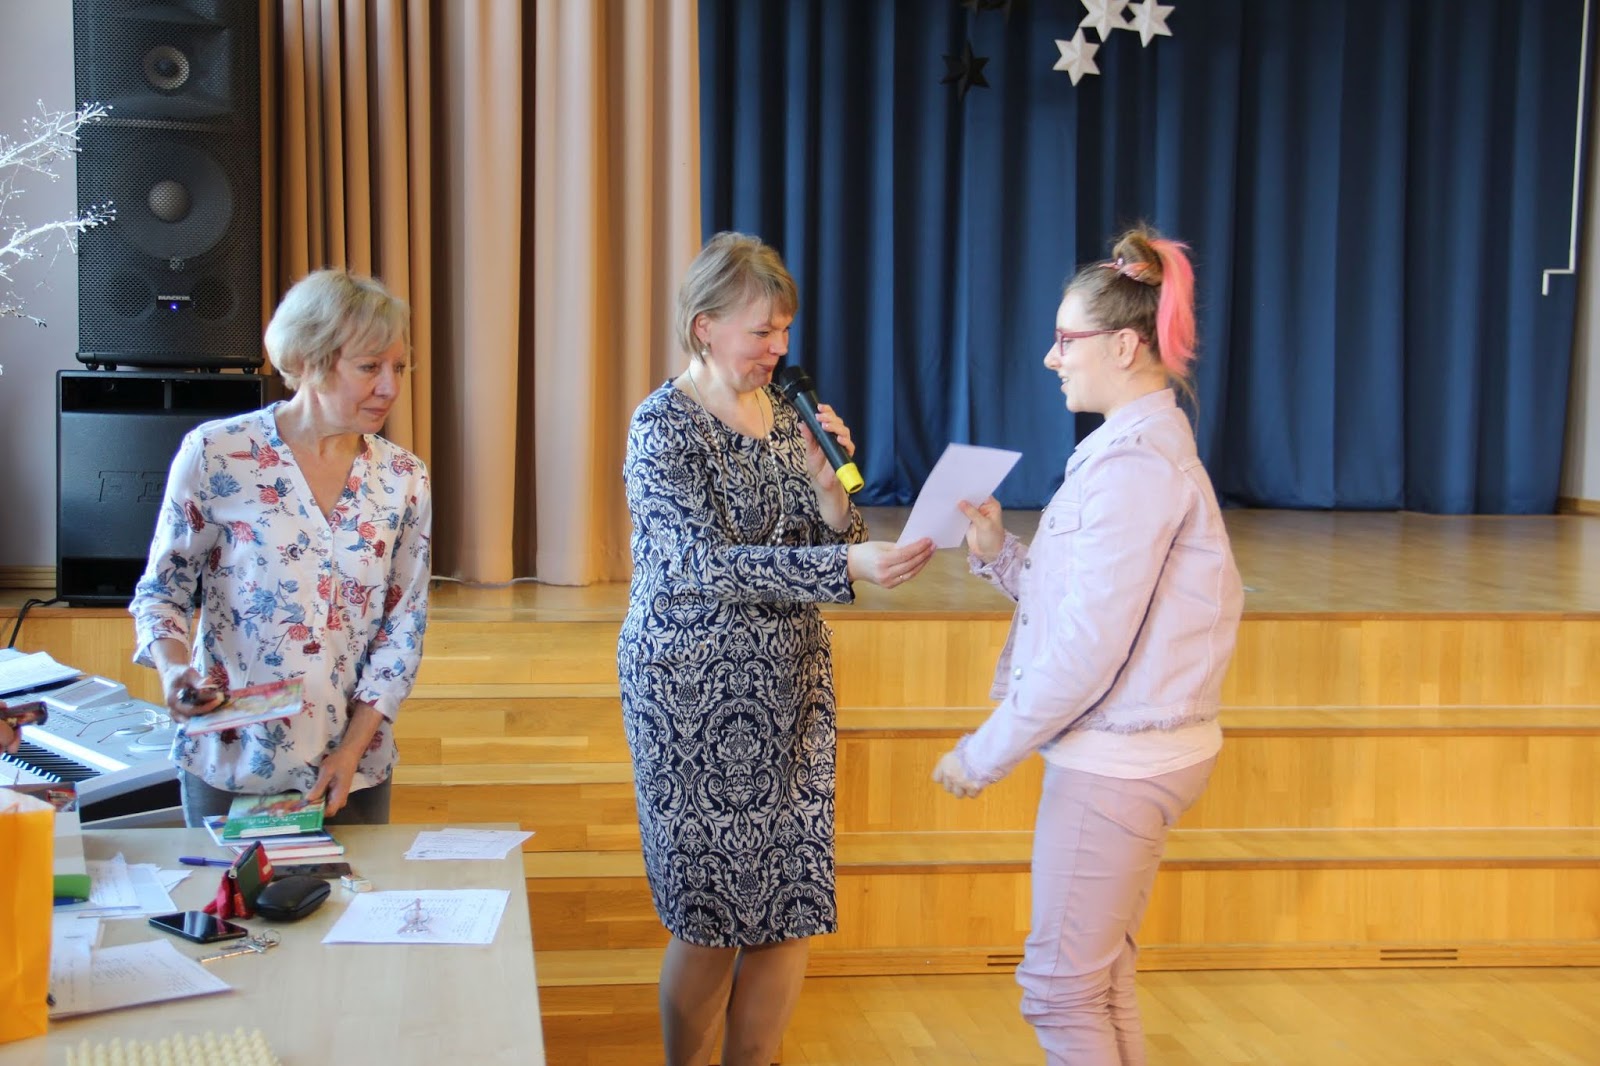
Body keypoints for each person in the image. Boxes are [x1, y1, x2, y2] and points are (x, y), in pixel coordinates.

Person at [619, 231, 935, 1066]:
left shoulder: (789, 416)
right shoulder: (661, 427)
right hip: (689, 693)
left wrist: (831, 492)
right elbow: (698, 565)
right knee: (710, 914)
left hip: (790, 685)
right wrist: (841, 563)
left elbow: (830, 541)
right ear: (704, 327)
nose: (778, 349)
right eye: (761, 331)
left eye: (785, 330)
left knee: (790, 902)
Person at [933, 227, 1243, 1065]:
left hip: (1120, 762)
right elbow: (1088, 608)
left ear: (1124, 346)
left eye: (1066, 340)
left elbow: (1087, 651)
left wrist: (983, 753)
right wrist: (1001, 553)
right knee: (1097, 983)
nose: (1051, 358)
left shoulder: (1135, 466)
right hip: (1135, 750)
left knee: (1059, 992)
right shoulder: (1127, 453)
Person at [129, 269, 432, 828]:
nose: (390, 387)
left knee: (358, 892)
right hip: (230, 761)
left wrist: (351, 751)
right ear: (312, 360)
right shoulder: (217, 453)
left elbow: (403, 629)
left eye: (399, 367)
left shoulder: (403, 478)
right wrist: (173, 672)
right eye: (370, 367)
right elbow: (162, 592)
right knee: (227, 892)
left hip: (352, 768)